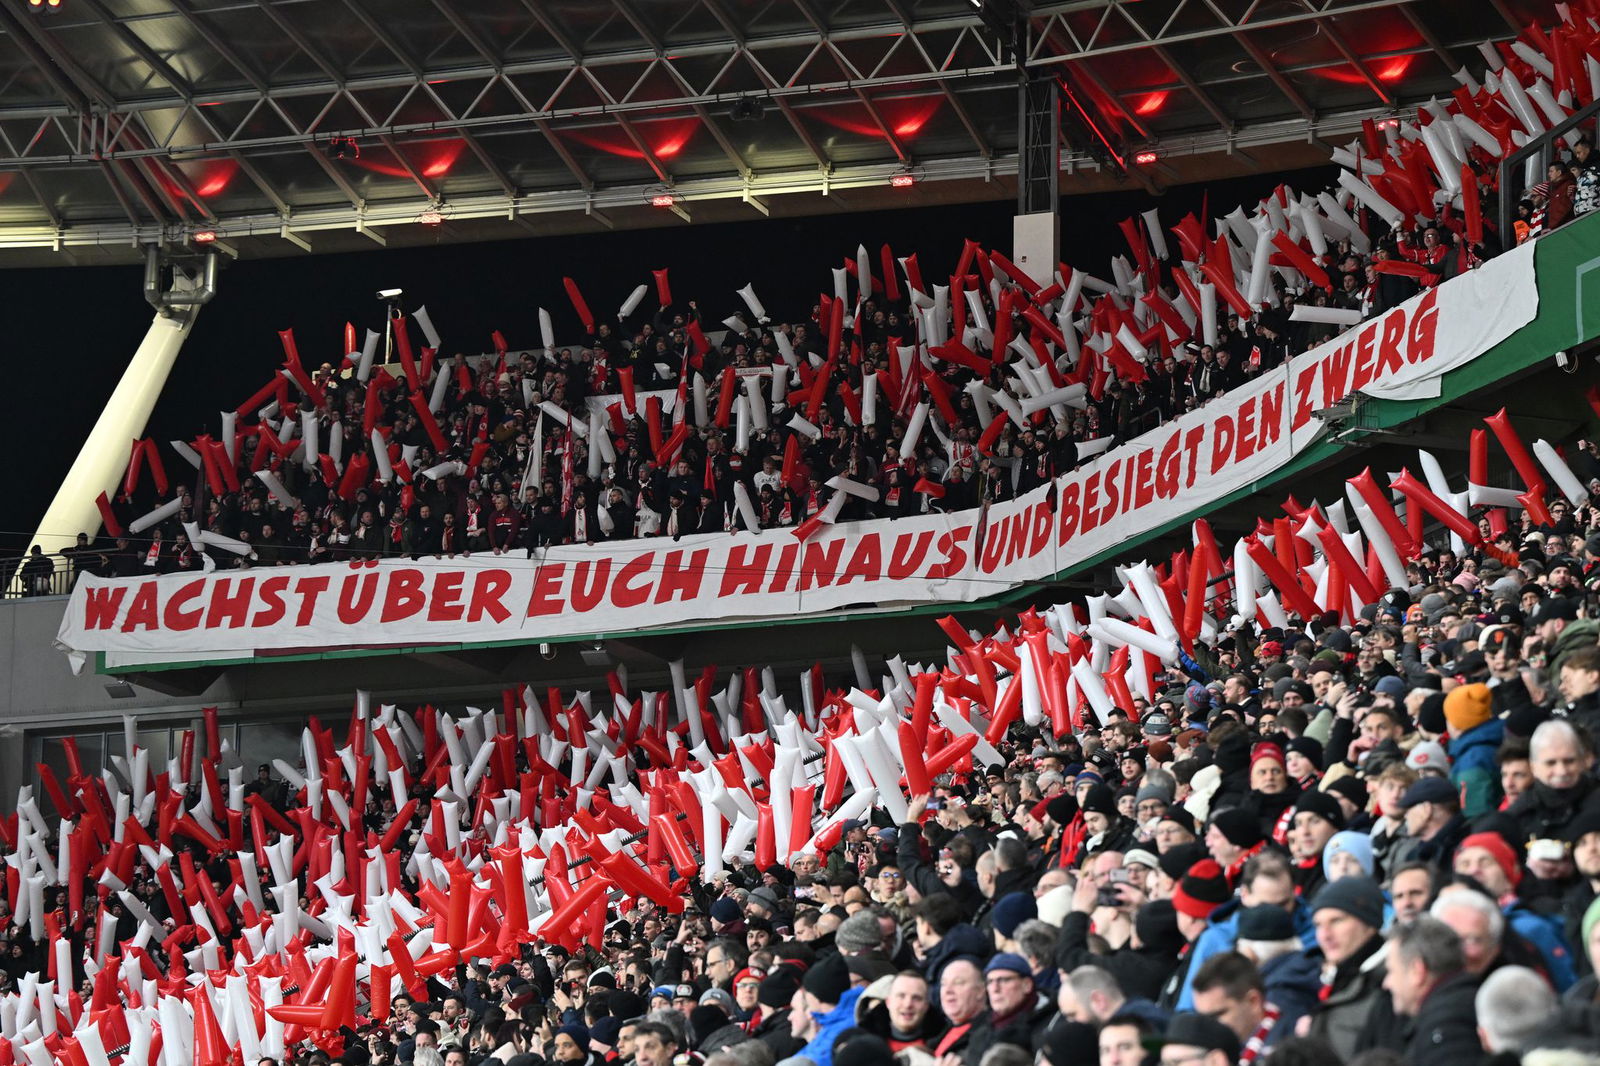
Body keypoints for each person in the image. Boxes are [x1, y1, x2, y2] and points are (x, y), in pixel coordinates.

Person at [1382, 916, 1483, 1066]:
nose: (1386, 984)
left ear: (1417, 971)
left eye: (1391, 971)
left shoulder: (1447, 1029)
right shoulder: (1464, 1005)